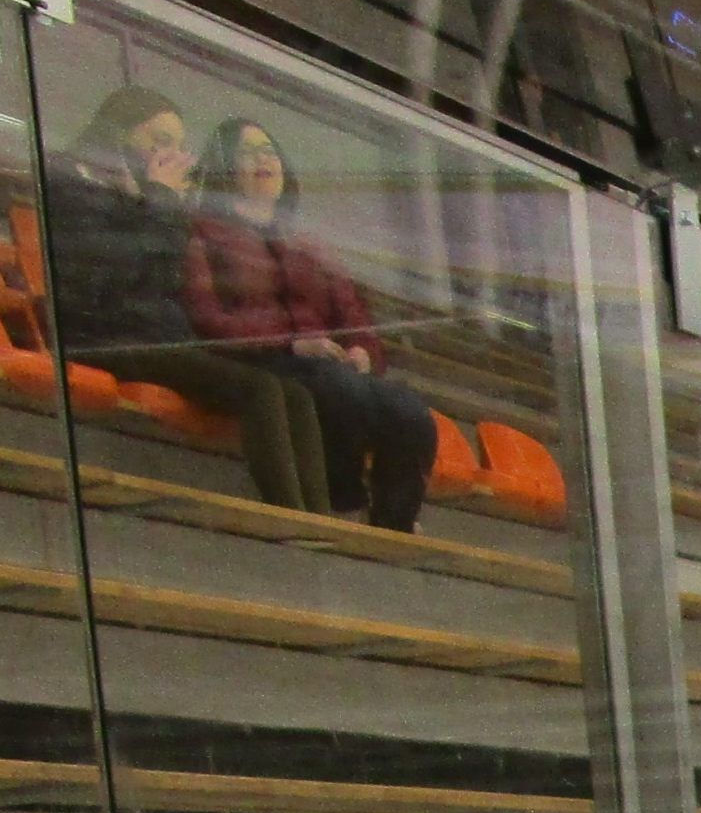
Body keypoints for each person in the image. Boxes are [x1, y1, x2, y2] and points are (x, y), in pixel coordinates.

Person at [43, 86, 329, 515]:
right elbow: (107, 275)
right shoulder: (72, 182)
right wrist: (158, 201)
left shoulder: (144, 194)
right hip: (103, 333)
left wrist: (159, 204)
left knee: (299, 396)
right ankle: (293, 518)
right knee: (261, 389)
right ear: (119, 134)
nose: (172, 154)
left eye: (177, 144)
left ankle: (322, 520)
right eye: (158, 140)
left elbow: (162, 272)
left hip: (153, 333)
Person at [186, 118, 441, 532]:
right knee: (338, 389)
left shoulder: (311, 245)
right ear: (226, 168)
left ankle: (394, 522)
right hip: (263, 360)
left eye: (269, 150)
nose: (262, 159)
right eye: (247, 152)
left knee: (408, 410)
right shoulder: (206, 234)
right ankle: (344, 502)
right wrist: (292, 344)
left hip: (327, 365)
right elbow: (208, 319)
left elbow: (354, 317)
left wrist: (361, 350)